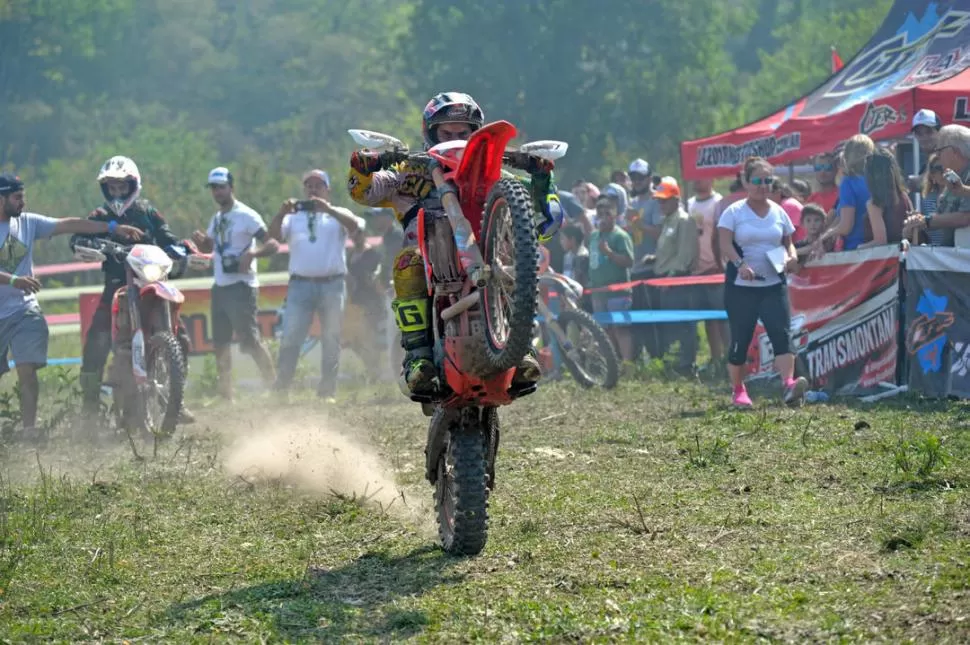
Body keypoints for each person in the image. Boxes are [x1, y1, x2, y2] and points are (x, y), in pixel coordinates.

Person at [346, 91, 562, 398]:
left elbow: (541, 218)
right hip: (429, 263)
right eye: (447, 134)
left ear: (476, 135)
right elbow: (363, 193)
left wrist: (542, 179)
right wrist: (364, 165)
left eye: (463, 134)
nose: (455, 140)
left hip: (487, 259)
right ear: (431, 134)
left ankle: (522, 349)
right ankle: (418, 357)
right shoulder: (408, 173)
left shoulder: (496, 176)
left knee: (514, 260)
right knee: (407, 263)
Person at [0, 173, 143, 440]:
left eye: (23, 196)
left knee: (27, 370)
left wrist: (112, 227)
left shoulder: (27, 222)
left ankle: (29, 430)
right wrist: (14, 280)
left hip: (23, 310)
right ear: (2, 199)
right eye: (17, 197)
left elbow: (68, 224)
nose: (23, 202)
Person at [77, 156, 197, 424]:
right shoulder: (100, 215)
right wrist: (93, 245)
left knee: (182, 338)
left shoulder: (147, 211)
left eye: (122, 186)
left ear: (133, 185)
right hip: (117, 285)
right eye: (112, 187)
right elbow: (78, 237)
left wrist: (183, 247)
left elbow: (167, 238)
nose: (117, 192)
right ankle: (89, 408)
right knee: (96, 342)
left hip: (151, 283)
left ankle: (175, 400)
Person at [717, 156, 807, 408]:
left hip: (773, 285)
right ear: (746, 182)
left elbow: (789, 244)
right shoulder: (734, 212)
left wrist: (791, 257)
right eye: (757, 181)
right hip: (741, 288)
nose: (763, 186)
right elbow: (724, 244)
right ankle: (738, 390)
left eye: (768, 181)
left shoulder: (779, 212)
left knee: (782, 334)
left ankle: (788, 384)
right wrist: (740, 265)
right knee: (741, 338)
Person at [267, 169, 364, 401]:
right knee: (291, 335)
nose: (313, 189)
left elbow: (356, 228)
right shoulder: (293, 217)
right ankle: (281, 389)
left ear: (327, 189)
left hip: (332, 284)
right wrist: (280, 214)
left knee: (331, 338)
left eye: (318, 185)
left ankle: (327, 392)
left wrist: (328, 210)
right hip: (300, 285)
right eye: (309, 185)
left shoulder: (337, 213)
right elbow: (273, 237)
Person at [191, 167, 279, 401]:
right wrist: (203, 243)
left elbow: (272, 244)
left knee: (249, 339)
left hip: (242, 286)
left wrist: (253, 254)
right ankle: (226, 394)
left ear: (231, 187)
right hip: (220, 284)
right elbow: (212, 248)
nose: (217, 192)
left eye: (221, 187)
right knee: (220, 343)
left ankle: (273, 386)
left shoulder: (246, 215)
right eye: (213, 188)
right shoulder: (217, 218)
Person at [652, 177, 699, 375]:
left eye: (664, 200)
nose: (661, 204)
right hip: (665, 279)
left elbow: (685, 255)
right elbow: (670, 250)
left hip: (677, 281)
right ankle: (675, 364)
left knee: (683, 325)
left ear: (676, 199)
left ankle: (686, 365)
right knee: (671, 325)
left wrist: (671, 278)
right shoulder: (667, 221)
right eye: (659, 201)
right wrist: (653, 259)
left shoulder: (684, 220)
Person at [589, 193, 636, 366]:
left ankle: (627, 364)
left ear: (615, 215)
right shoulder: (594, 236)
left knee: (620, 328)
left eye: (607, 212)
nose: (603, 216)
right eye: (599, 212)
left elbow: (629, 261)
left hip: (618, 292)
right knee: (604, 330)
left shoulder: (620, 236)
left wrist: (609, 253)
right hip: (598, 292)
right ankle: (611, 364)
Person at [904, 125, 970, 246]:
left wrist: (926, 221)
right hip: (953, 254)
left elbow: (965, 217)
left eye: (939, 150)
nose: (937, 155)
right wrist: (916, 222)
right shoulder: (953, 179)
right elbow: (941, 217)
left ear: (954, 151)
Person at [688, 178, 727, 372]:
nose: (698, 182)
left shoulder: (719, 202)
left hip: (715, 268)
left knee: (723, 317)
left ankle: (730, 356)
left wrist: (721, 264)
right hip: (695, 271)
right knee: (707, 318)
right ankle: (715, 358)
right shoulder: (689, 204)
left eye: (702, 178)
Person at [813, 134, 874, 255]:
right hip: (877, 248)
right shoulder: (875, 180)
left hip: (854, 250)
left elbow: (846, 226)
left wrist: (825, 236)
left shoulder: (849, 182)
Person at [861, 148, 912, 247]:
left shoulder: (874, 204)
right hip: (904, 252)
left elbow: (880, 241)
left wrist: (859, 248)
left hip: (884, 256)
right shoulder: (904, 197)